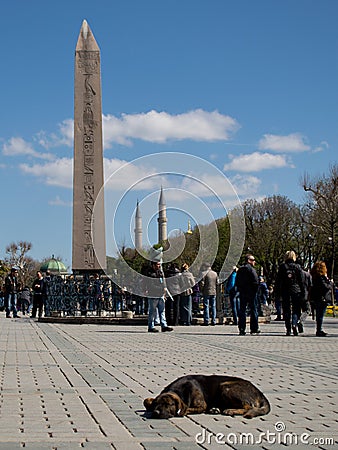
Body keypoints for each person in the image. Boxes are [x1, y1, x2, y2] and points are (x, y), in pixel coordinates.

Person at [275, 251, 305, 336]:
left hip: (285, 290)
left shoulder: (282, 267)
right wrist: (303, 292)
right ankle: (294, 324)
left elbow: (278, 280)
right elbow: (301, 281)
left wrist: (277, 292)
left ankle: (288, 329)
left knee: (286, 309)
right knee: (296, 308)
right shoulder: (297, 267)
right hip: (296, 290)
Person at [145, 261, 173, 333]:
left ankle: (164, 325)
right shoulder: (150, 274)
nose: (159, 266)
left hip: (161, 295)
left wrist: (164, 291)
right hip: (153, 294)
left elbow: (163, 283)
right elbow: (151, 285)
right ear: (153, 265)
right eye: (157, 264)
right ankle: (151, 326)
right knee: (152, 311)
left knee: (162, 311)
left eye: (159, 264)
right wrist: (161, 288)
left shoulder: (160, 273)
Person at [235, 254, 260, 335]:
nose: (254, 262)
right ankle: (254, 329)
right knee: (253, 310)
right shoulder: (251, 269)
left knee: (242, 311)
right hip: (252, 293)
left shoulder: (240, 270)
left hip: (242, 292)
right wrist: (255, 290)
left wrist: (240, 289)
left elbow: (237, 281)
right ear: (249, 260)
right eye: (253, 260)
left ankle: (242, 329)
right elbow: (256, 281)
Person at [310, 261, 333, 337]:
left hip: (316, 297)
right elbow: (326, 287)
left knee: (319, 315)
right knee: (320, 315)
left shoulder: (314, 277)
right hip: (322, 298)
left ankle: (319, 329)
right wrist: (330, 282)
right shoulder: (322, 277)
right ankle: (319, 330)